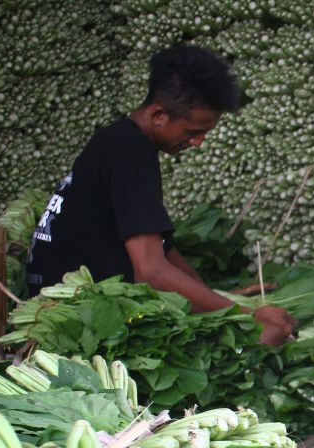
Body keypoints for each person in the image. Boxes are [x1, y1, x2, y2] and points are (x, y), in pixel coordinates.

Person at [25, 46, 295, 346]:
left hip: (69, 300)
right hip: (71, 318)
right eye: (193, 131)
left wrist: (215, 300)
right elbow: (151, 271)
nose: (198, 142)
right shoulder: (128, 152)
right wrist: (245, 319)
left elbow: (162, 249)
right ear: (159, 114)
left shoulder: (122, 141)